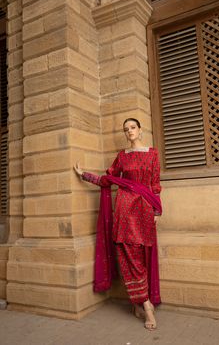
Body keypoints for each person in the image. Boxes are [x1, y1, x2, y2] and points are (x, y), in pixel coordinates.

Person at [74, 118, 162, 330]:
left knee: (142, 256)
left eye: (132, 128)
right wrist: (84, 175)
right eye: (126, 129)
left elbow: (155, 184)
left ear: (140, 130)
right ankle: (146, 306)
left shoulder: (152, 154)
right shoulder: (122, 157)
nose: (129, 132)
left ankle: (138, 303)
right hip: (124, 211)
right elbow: (108, 180)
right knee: (128, 254)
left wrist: (157, 209)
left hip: (144, 210)